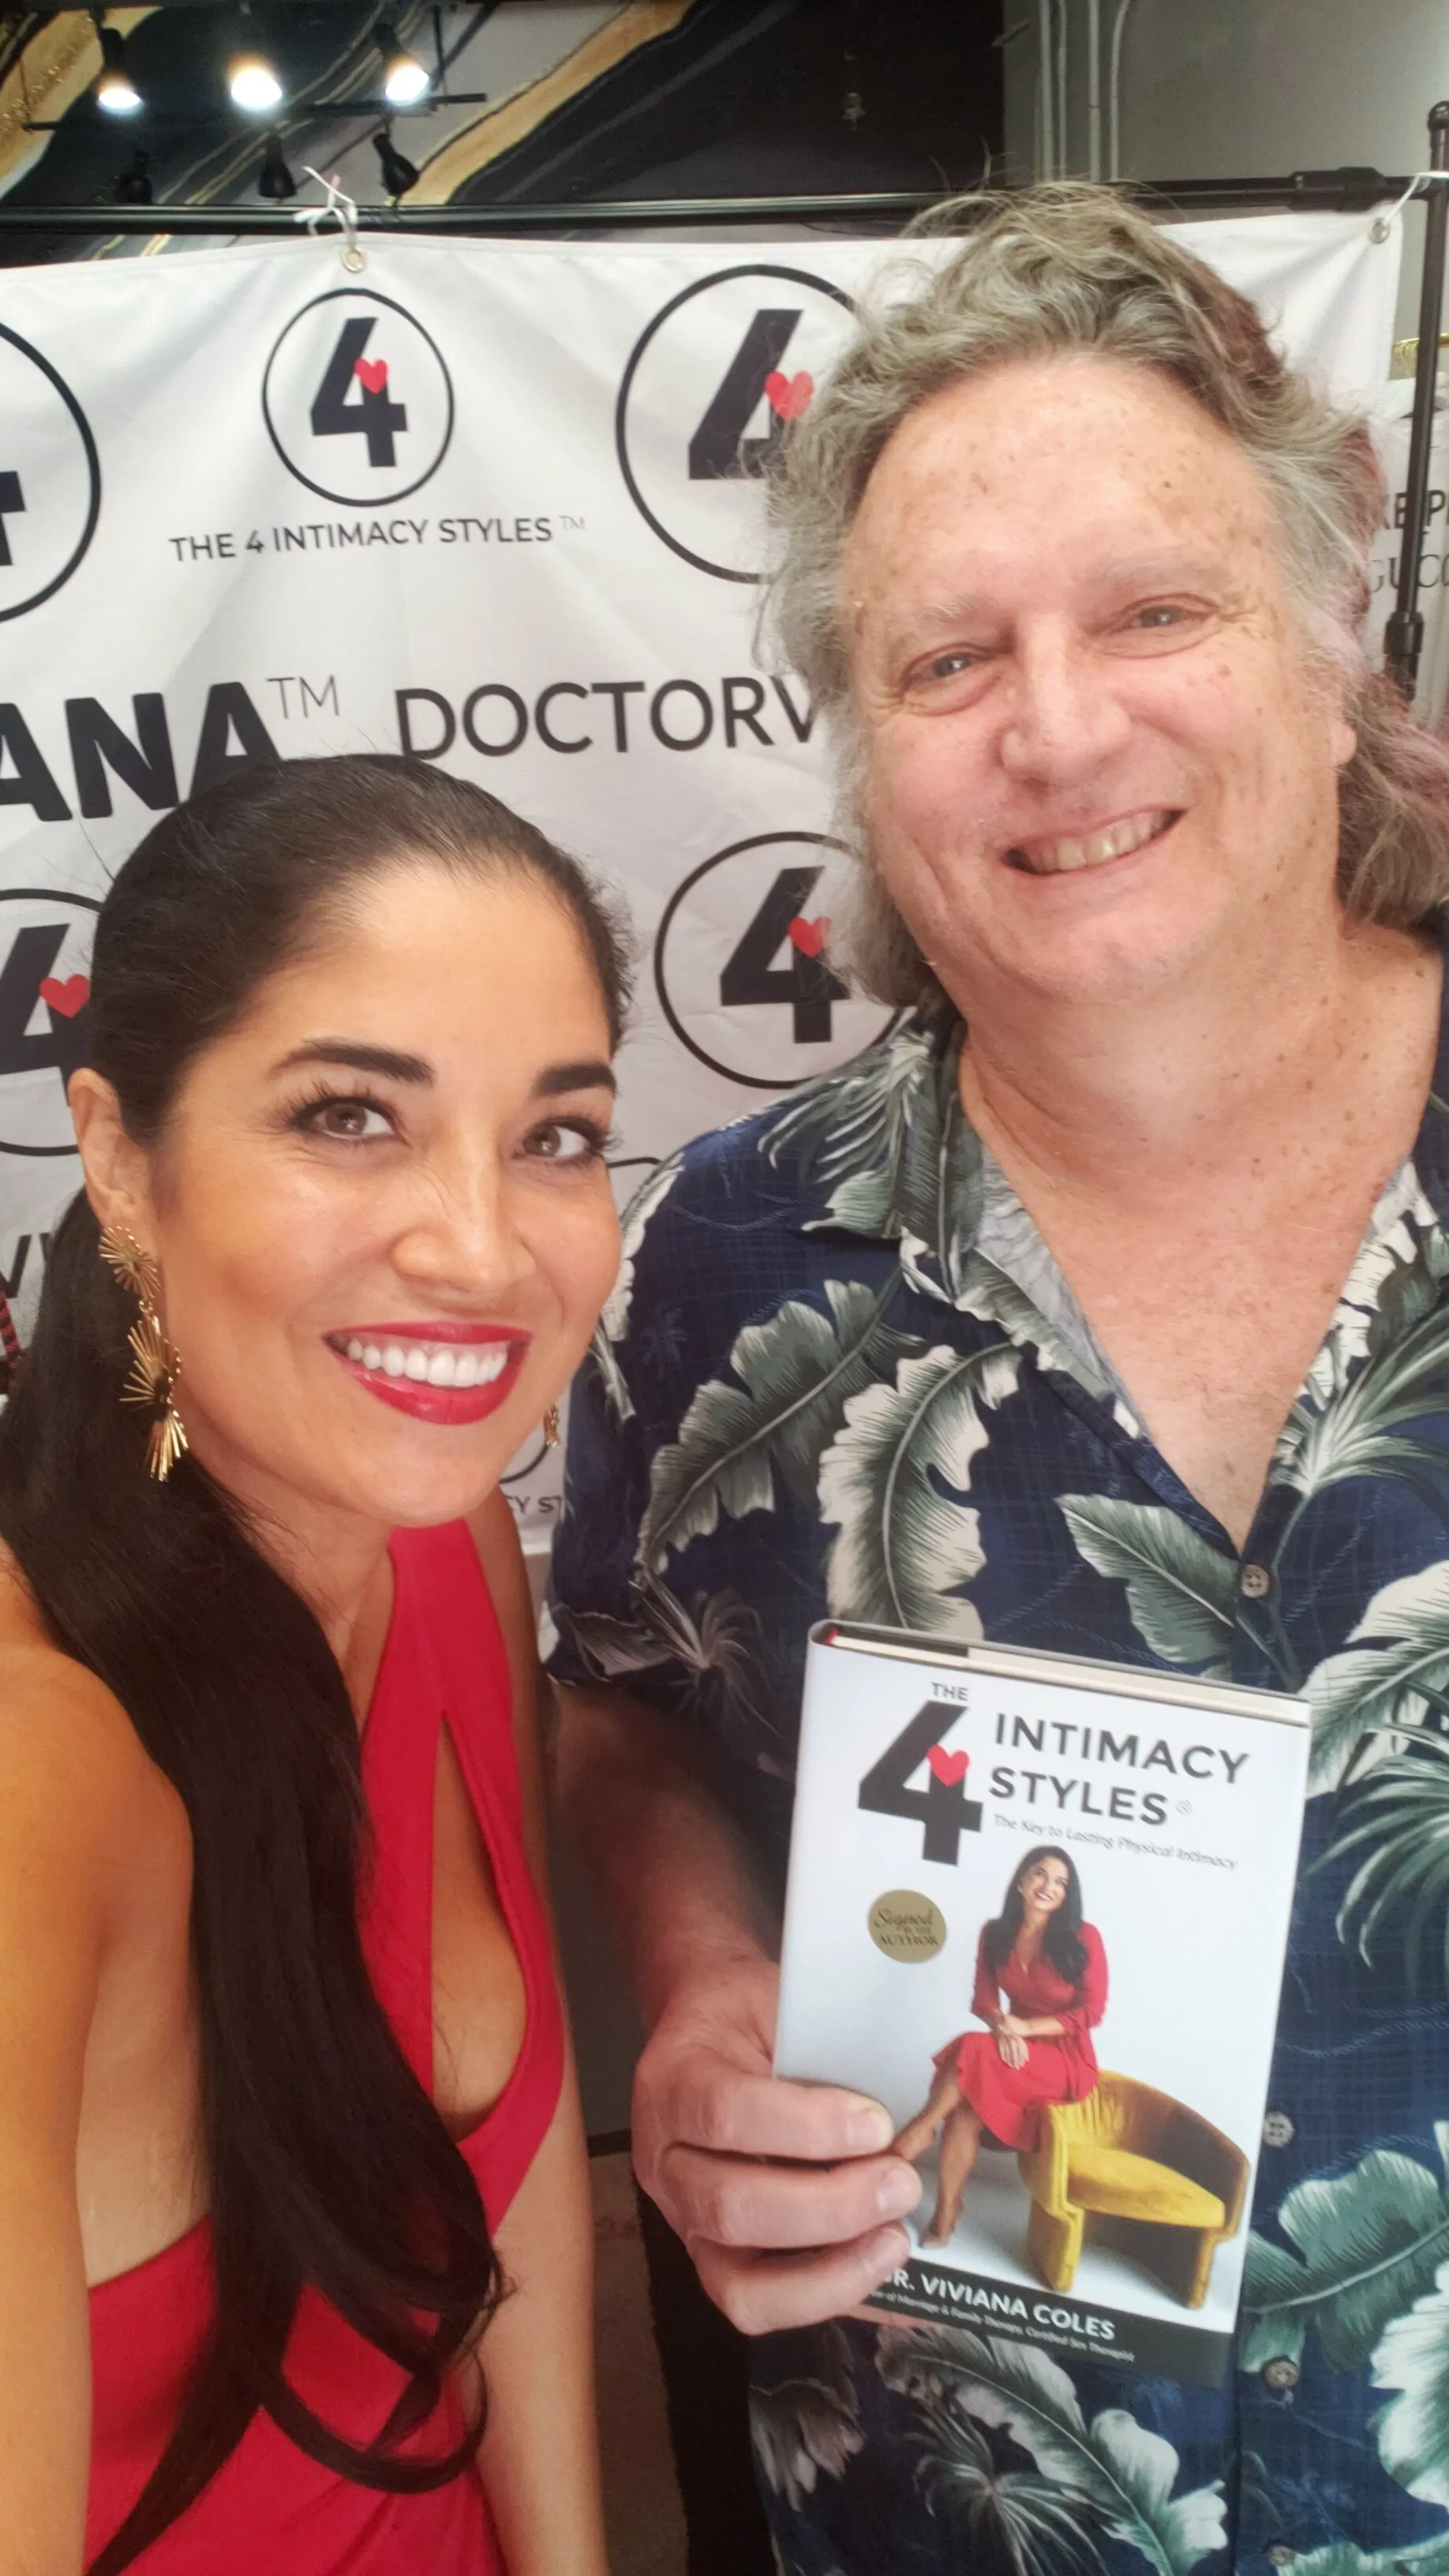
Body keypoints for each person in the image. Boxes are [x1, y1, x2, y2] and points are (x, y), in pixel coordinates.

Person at [546, 182, 1449, 2576]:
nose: (1058, 731)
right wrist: (701, 1982)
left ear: (1329, 638)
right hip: (952, 2509)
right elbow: (628, 1693)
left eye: (1155, 610)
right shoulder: (724, 1266)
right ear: (866, 754)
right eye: (949, 660)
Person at [0, 755, 625, 2574]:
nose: (481, 1248)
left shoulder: (448, 1544)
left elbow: (509, 2178)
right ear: (122, 1160)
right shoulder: (40, 1769)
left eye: (555, 1135)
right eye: (351, 1115)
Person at [893, 1847, 1106, 2242]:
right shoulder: (995, 1933)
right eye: (1040, 1874)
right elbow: (984, 1998)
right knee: (966, 2109)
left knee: (970, 2048)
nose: (1048, 1886)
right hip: (1012, 2048)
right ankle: (947, 2209)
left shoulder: (1083, 1937)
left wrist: (1026, 2027)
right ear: (1022, 1878)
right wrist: (1003, 2028)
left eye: (1061, 1883)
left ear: (1067, 1895)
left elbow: (1092, 2011)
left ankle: (917, 2132)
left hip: (1066, 2060)